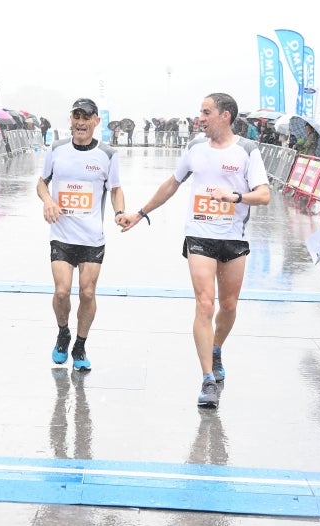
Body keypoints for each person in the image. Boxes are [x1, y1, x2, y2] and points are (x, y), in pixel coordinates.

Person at [119, 93, 270, 408]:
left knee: (227, 306)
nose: (200, 117)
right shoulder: (194, 149)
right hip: (199, 234)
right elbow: (171, 185)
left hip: (233, 237)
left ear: (225, 115)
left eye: (206, 112)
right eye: (200, 112)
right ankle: (207, 380)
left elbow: (264, 195)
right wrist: (140, 212)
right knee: (204, 304)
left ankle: (216, 349)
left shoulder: (247, 150)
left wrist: (235, 197)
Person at [37, 97, 125, 372]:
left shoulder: (108, 155)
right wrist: (48, 201)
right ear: (71, 120)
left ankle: (80, 345)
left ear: (96, 122)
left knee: (87, 293)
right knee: (62, 292)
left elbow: (115, 189)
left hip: (91, 238)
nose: (80, 123)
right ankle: (64, 333)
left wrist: (119, 212)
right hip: (62, 235)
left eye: (86, 118)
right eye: (76, 117)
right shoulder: (57, 149)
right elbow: (42, 182)